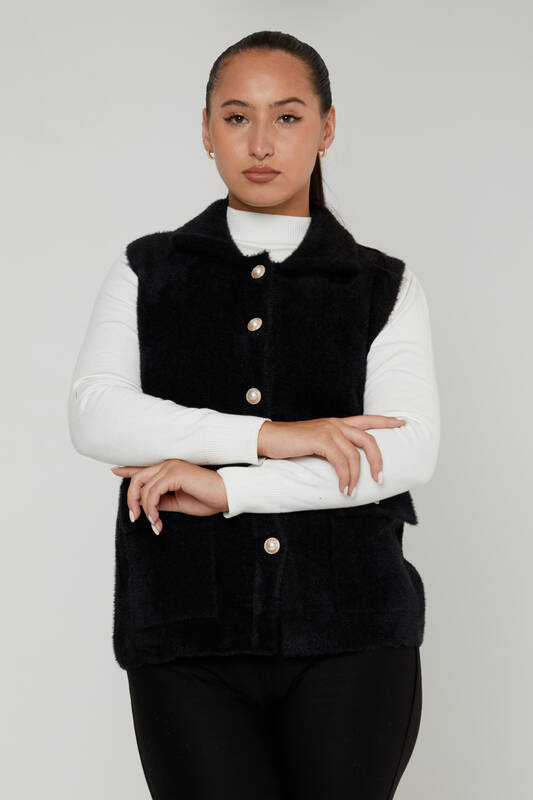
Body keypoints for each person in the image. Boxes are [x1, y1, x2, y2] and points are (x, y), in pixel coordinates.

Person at [69, 30, 440, 800]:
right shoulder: (147, 270)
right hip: (185, 636)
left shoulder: (381, 285)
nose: (261, 142)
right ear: (206, 131)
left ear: (326, 129)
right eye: (237, 117)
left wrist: (230, 487)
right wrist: (271, 438)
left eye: (288, 117)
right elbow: (97, 415)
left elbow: (403, 456)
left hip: (352, 634)